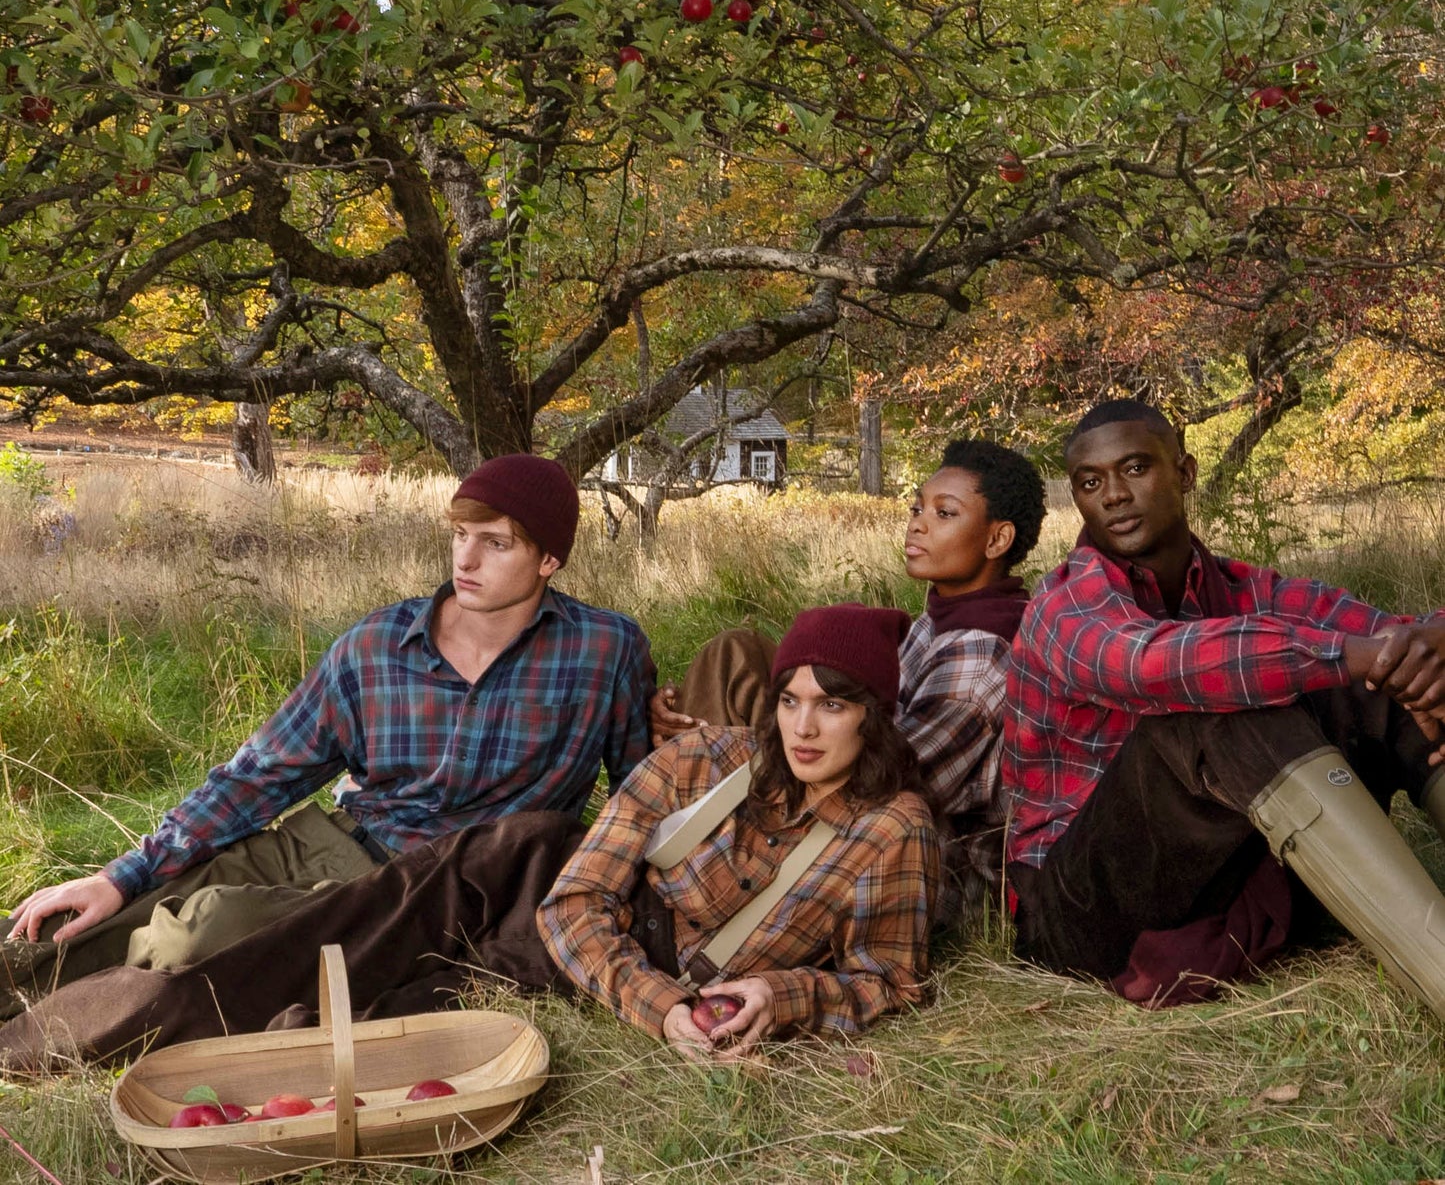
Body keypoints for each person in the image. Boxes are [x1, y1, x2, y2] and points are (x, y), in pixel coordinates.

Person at [0, 604, 938, 1073]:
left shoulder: (892, 832)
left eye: (834, 704)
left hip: (604, 952)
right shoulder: (713, 759)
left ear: (876, 717)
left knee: (362, 1015)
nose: (804, 727)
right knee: (318, 942)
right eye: (789, 700)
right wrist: (660, 1008)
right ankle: (29, 1041)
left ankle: (144, 1032)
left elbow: (888, 976)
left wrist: (781, 993)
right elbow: (577, 895)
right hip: (535, 872)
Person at [0, 454, 653, 1016]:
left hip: (433, 891)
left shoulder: (604, 651)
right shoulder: (375, 646)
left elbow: (640, 789)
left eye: (496, 542)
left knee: (194, 937)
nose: (466, 557)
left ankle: (73, 1019)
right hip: (326, 842)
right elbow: (259, 776)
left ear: (549, 558)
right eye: (459, 534)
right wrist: (122, 875)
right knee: (63, 927)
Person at [1003, 398, 1445, 1012]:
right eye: (1089, 482)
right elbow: (1150, 664)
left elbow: (1388, 639)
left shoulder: (1243, 588)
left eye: (1135, 468)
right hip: (1076, 907)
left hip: (1216, 871)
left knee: (1380, 684)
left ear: (1184, 473)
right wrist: (1363, 654)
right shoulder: (1063, 605)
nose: (1113, 495)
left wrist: (1426, 646)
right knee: (1221, 704)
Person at [651, 437, 1045, 926]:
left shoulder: (986, 650)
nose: (917, 523)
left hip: (921, 860)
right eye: (917, 506)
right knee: (736, 653)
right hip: (850, 796)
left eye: (945, 514)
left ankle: (691, 862)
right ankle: (689, 837)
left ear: (996, 540)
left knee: (719, 737)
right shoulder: (937, 619)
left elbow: (886, 782)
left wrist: (708, 745)